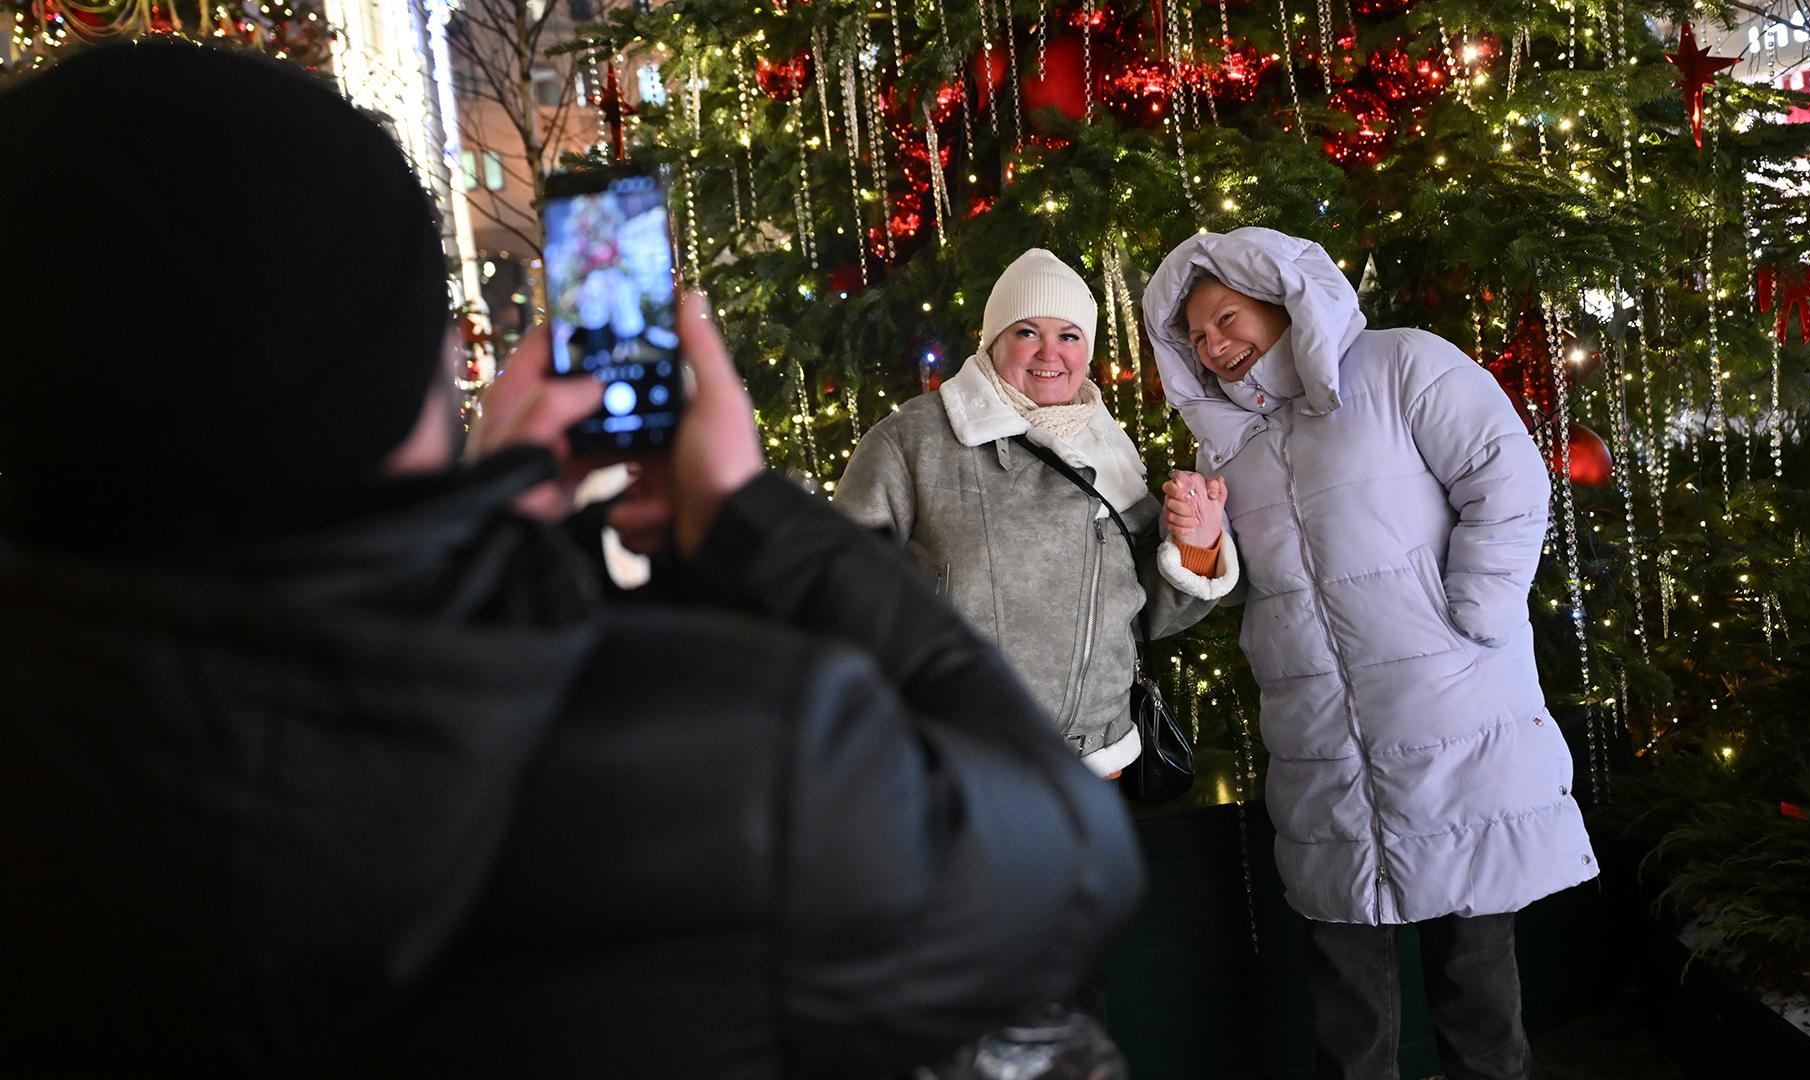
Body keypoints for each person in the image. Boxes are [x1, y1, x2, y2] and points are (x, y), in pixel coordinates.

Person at [0, 42, 1145, 1078]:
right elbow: (1065, 853)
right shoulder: (742, 766)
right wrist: (747, 517)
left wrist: (508, 528)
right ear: (412, 365)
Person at [1141, 227, 1599, 1080]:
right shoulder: (1227, 446)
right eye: (1196, 337)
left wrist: (1473, 616)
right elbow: (1251, 583)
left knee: (1476, 982)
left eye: (1227, 318)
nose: (1215, 346)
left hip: (1448, 721)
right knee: (1346, 1002)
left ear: (1281, 300)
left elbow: (1506, 476)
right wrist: (1205, 549)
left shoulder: (1402, 366)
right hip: (1322, 744)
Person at [835, 248, 1240, 781]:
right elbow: (840, 588)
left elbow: (1143, 616)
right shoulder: (911, 441)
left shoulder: (1108, 448)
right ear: (993, 340)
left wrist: (1197, 544)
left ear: (1086, 350)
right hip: (955, 761)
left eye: (1069, 336)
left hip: (1094, 763)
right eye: (1027, 331)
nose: (1050, 352)